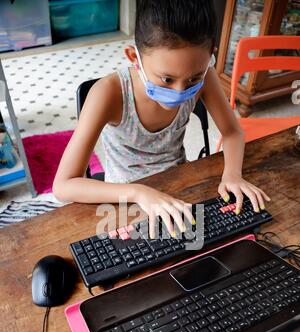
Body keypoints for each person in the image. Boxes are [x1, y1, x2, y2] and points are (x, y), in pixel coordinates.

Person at [53, 0, 270, 238]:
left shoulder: (206, 77)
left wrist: (232, 175)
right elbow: (64, 185)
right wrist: (139, 193)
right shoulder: (109, 93)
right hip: (123, 199)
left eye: (192, 79)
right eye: (167, 80)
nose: (179, 92)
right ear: (134, 57)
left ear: (210, 57)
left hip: (181, 186)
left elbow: (232, 132)